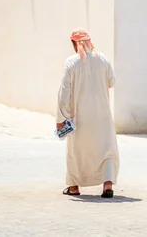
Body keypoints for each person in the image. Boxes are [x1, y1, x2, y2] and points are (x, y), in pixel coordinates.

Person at [56, 27, 119, 198]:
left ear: (74, 43)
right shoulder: (103, 59)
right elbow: (112, 82)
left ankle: (74, 187)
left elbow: (64, 92)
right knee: (106, 150)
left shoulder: (71, 62)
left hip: (80, 117)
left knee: (77, 151)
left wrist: (61, 117)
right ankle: (107, 186)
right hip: (102, 116)